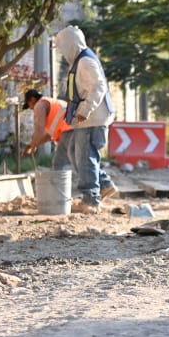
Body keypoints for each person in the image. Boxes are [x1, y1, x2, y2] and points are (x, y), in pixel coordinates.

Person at [52, 26, 118, 213]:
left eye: (63, 47)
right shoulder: (81, 60)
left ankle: (91, 200)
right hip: (87, 119)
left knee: (85, 157)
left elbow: (98, 87)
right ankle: (104, 184)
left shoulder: (86, 62)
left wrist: (85, 110)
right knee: (76, 154)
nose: (63, 52)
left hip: (92, 119)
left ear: (71, 44)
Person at [20, 88, 72, 161]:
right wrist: (32, 145)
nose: (31, 108)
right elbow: (48, 136)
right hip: (69, 131)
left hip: (69, 131)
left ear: (32, 99)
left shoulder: (39, 105)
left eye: (29, 105)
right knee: (59, 164)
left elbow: (39, 128)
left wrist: (33, 145)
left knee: (72, 163)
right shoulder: (50, 105)